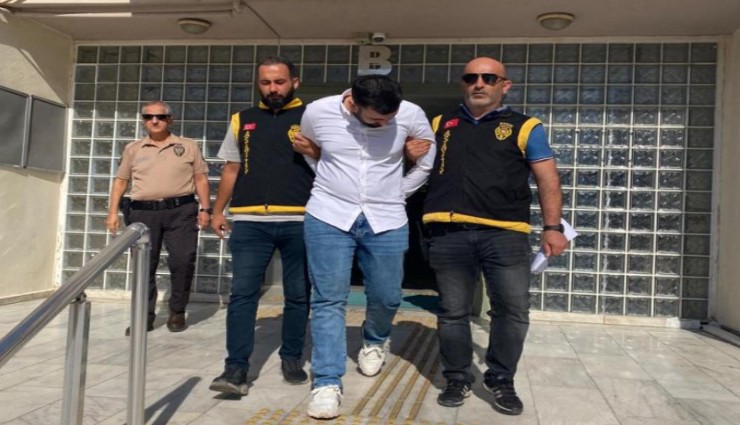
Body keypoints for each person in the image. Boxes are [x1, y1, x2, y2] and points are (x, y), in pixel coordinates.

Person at [423, 57, 568, 415]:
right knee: (453, 312)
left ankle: (501, 378)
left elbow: (548, 179)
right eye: (471, 77)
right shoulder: (440, 124)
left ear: (505, 85)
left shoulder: (525, 126)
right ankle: (457, 377)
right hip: (449, 233)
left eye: (489, 78)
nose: (479, 83)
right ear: (463, 83)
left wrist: (553, 228)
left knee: (512, 310)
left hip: (504, 235)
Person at [295, 75, 436, 419]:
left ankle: (374, 341)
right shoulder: (318, 111)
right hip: (328, 214)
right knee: (328, 298)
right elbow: (311, 151)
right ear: (353, 105)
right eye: (376, 120)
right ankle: (327, 381)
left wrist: (398, 192)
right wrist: (327, 175)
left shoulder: (411, 113)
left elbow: (427, 161)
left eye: (390, 119)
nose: (385, 124)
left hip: (387, 218)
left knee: (388, 295)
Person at [208, 56, 312, 396]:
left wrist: (315, 151)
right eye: (266, 83)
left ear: (294, 82)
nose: (272, 89)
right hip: (250, 221)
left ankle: (291, 358)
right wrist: (217, 211)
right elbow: (231, 168)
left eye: (279, 81)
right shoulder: (243, 119)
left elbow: (335, 163)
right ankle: (236, 367)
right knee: (242, 295)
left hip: (300, 219)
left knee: (298, 294)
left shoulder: (311, 117)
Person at [107, 100, 211, 334]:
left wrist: (206, 209)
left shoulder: (188, 146)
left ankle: (177, 312)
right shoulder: (133, 149)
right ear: (143, 121)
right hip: (143, 213)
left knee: (183, 261)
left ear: (170, 120)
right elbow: (121, 181)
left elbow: (201, 178)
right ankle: (144, 317)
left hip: (181, 211)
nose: (154, 121)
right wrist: (112, 212)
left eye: (160, 117)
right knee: (144, 265)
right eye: (148, 117)